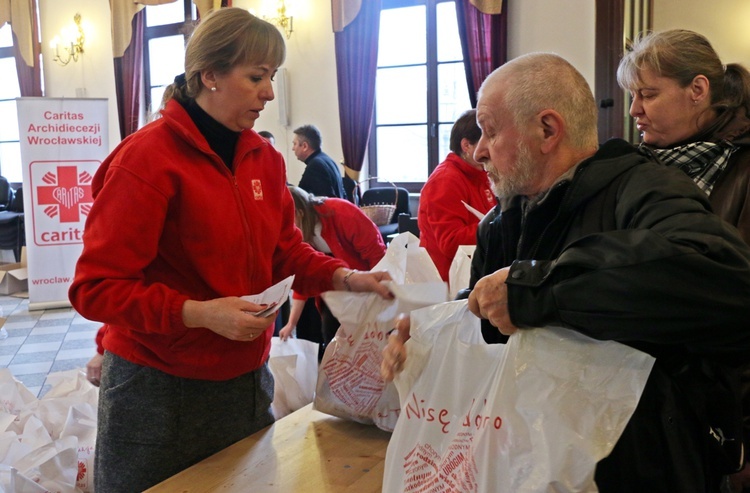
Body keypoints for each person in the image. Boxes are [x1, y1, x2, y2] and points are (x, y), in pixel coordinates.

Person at [381, 52, 750, 493]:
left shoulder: (643, 187)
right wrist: (429, 344)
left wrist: (535, 290)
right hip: (532, 464)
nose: (479, 151)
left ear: (548, 130)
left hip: (639, 469)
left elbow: (723, 276)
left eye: (490, 130)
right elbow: (495, 324)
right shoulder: (501, 221)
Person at [68, 8, 392, 493]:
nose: (269, 93)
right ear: (209, 76)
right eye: (257, 77)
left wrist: (345, 278)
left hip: (243, 380)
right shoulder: (147, 160)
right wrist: (200, 314)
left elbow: (285, 253)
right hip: (156, 388)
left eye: (272, 77)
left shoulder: (263, 158)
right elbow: (95, 289)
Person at [617, 29, 750, 492]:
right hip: (642, 400)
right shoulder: (633, 169)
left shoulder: (744, 167)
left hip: (723, 405)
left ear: (697, 90)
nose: (634, 110)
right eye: (633, 96)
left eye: (648, 95)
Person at [279, 186, 386, 353]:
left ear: (298, 213)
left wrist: (379, 292)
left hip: (365, 284)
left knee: (368, 343)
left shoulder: (342, 212)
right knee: (332, 337)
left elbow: (376, 253)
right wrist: (291, 323)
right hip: (335, 292)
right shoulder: (303, 234)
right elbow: (305, 276)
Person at [417, 109, 497, 281]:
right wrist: (500, 227)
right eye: (486, 142)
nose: (491, 149)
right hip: (451, 281)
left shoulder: (480, 173)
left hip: (475, 269)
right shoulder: (445, 180)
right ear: (466, 146)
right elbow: (451, 242)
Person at [293, 124, 346, 199]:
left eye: (295, 144)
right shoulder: (328, 160)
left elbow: (323, 202)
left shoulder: (315, 166)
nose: (293, 148)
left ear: (305, 146)